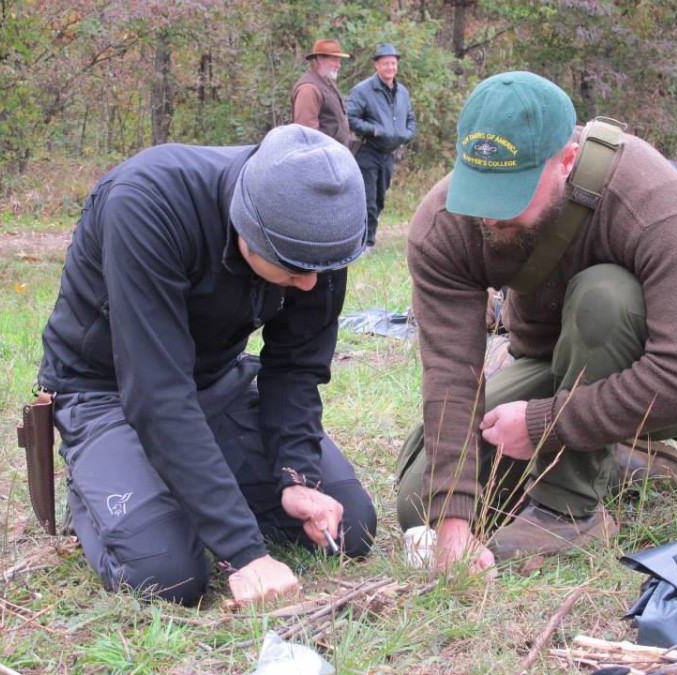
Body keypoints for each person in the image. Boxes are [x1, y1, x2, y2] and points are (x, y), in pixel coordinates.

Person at [394, 71, 677, 575]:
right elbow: (452, 377)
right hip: (552, 362)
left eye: (513, 191)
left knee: (603, 294)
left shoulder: (646, 193)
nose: (489, 214)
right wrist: (453, 524)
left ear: (567, 161)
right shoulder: (444, 225)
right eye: (480, 188)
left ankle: (568, 511)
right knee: (421, 505)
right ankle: (621, 457)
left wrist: (547, 425)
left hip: (656, 372)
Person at [36, 124, 377, 606]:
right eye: (294, 269)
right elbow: (157, 394)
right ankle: (100, 485)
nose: (308, 286)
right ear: (246, 225)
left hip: (215, 381)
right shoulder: (146, 203)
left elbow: (296, 365)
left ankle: (182, 487)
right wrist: (245, 551)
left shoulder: (319, 229)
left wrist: (296, 474)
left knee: (351, 527)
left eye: (321, 270)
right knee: (168, 574)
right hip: (105, 389)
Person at [346, 43, 417, 249]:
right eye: (385, 63)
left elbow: (410, 117)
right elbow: (349, 117)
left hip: (389, 154)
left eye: (393, 63)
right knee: (367, 200)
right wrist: (373, 130)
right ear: (376, 65)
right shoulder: (362, 90)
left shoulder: (402, 91)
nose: (390, 68)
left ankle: (367, 237)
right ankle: (365, 243)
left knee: (379, 198)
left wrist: (407, 134)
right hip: (367, 151)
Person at [292, 39, 353, 148]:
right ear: (320, 59)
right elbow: (307, 135)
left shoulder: (327, 82)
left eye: (339, 60)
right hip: (321, 160)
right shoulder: (308, 89)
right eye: (334, 60)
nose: (339, 65)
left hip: (334, 156)